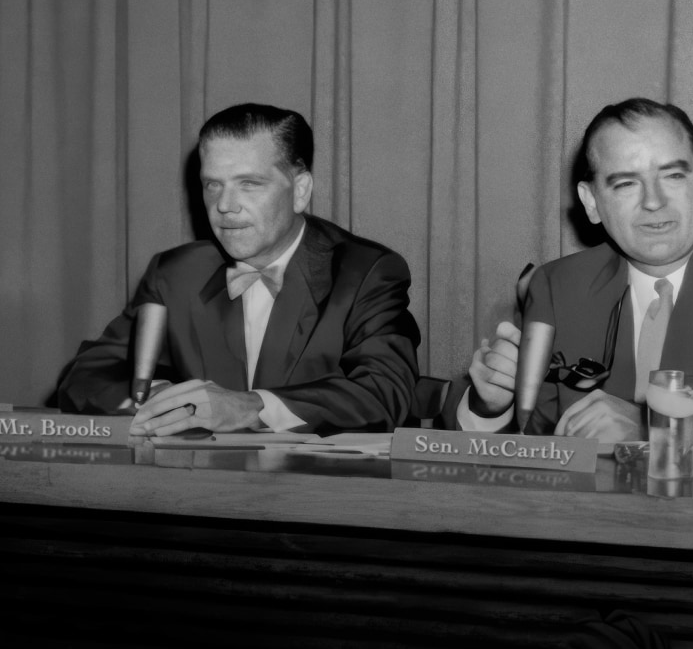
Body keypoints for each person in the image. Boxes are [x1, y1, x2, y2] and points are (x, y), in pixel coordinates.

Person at [460, 97, 693, 444]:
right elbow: (539, 435)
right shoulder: (557, 286)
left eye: (673, 175)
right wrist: (492, 407)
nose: (654, 202)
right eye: (627, 184)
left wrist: (653, 424)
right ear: (591, 202)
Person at [57, 103, 421, 436]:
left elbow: (384, 392)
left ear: (300, 190)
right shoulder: (175, 272)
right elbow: (85, 376)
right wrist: (161, 398)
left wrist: (251, 407)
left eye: (249, 184)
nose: (225, 206)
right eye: (213, 185)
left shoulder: (367, 271)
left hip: (320, 497)